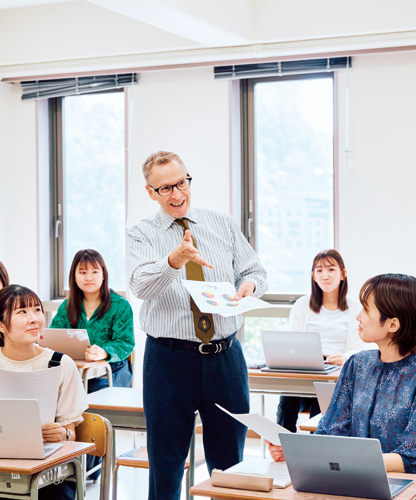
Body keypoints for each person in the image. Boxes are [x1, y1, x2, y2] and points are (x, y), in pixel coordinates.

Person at [128, 151, 267, 500]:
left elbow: (255, 271)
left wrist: (249, 286)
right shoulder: (140, 234)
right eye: (165, 189)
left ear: (189, 179)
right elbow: (140, 286)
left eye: (181, 183)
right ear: (150, 192)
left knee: (230, 464)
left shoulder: (221, 223)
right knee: (166, 464)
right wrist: (174, 261)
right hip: (168, 360)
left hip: (225, 358)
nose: (177, 195)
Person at [270, 274, 416, 500]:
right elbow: (331, 430)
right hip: (351, 480)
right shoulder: (357, 365)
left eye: (365, 310)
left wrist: (352, 461)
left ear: (393, 324)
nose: (357, 316)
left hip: (401, 489)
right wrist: (296, 452)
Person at [0, 284, 87, 500]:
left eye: (37, 310)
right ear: (0, 325)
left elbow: (72, 435)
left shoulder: (61, 364)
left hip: (49, 474)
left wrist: (63, 434)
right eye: (22, 312)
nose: (34, 318)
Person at [276, 249, 370, 432]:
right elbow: (293, 344)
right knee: (286, 400)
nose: (325, 276)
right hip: (305, 373)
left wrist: (344, 357)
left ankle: (315, 452)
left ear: (343, 274)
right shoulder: (302, 305)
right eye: (319, 270)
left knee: (322, 407)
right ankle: (281, 447)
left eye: (331, 269)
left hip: (336, 375)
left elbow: (358, 348)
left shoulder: (354, 308)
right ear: (313, 276)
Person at [50, 249, 135, 392]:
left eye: (94, 272)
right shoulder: (66, 306)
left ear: (103, 275)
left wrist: (104, 352)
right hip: (76, 372)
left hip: (111, 372)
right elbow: (53, 337)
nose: (88, 277)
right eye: (83, 272)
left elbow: (126, 342)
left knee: (87, 400)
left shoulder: (120, 305)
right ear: (74, 277)